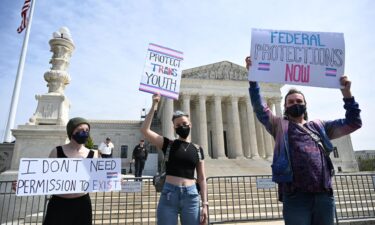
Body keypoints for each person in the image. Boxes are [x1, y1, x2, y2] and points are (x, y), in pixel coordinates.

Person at [246, 56, 362, 225]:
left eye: (299, 101)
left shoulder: (319, 126)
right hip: (295, 196)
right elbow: (259, 107)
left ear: (305, 105)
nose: (295, 104)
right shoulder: (279, 126)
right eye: (291, 102)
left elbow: (353, 123)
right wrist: (253, 78)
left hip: (323, 194)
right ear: (285, 107)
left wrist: (347, 94)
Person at [141, 93, 208, 225]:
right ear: (174, 128)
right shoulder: (167, 144)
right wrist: (154, 105)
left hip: (191, 196)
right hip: (169, 194)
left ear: (190, 124)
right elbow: (144, 130)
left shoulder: (198, 149)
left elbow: (201, 178)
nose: (182, 126)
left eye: (184, 123)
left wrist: (205, 204)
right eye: (178, 125)